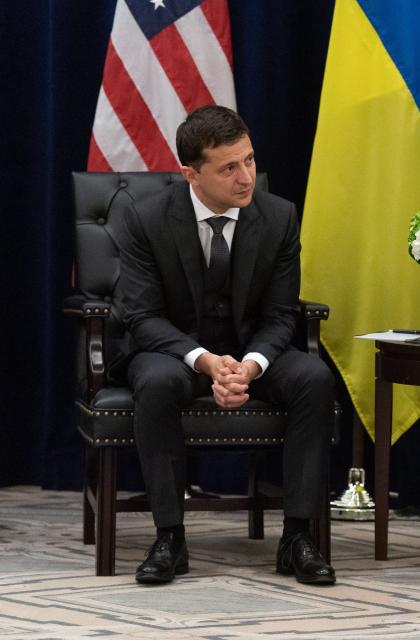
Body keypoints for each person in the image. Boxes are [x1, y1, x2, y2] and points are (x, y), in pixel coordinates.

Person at [116, 105, 336, 586]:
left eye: (250, 160)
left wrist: (252, 366)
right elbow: (141, 315)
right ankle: (169, 537)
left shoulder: (278, 217)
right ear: (191, 174)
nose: (246, 177)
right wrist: (206, 361)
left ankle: (297, 537)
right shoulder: (146, 220)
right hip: (174, 352)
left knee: (314, 378)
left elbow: (281, 315)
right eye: (229, 167)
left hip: (253, 349)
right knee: (155, 382)